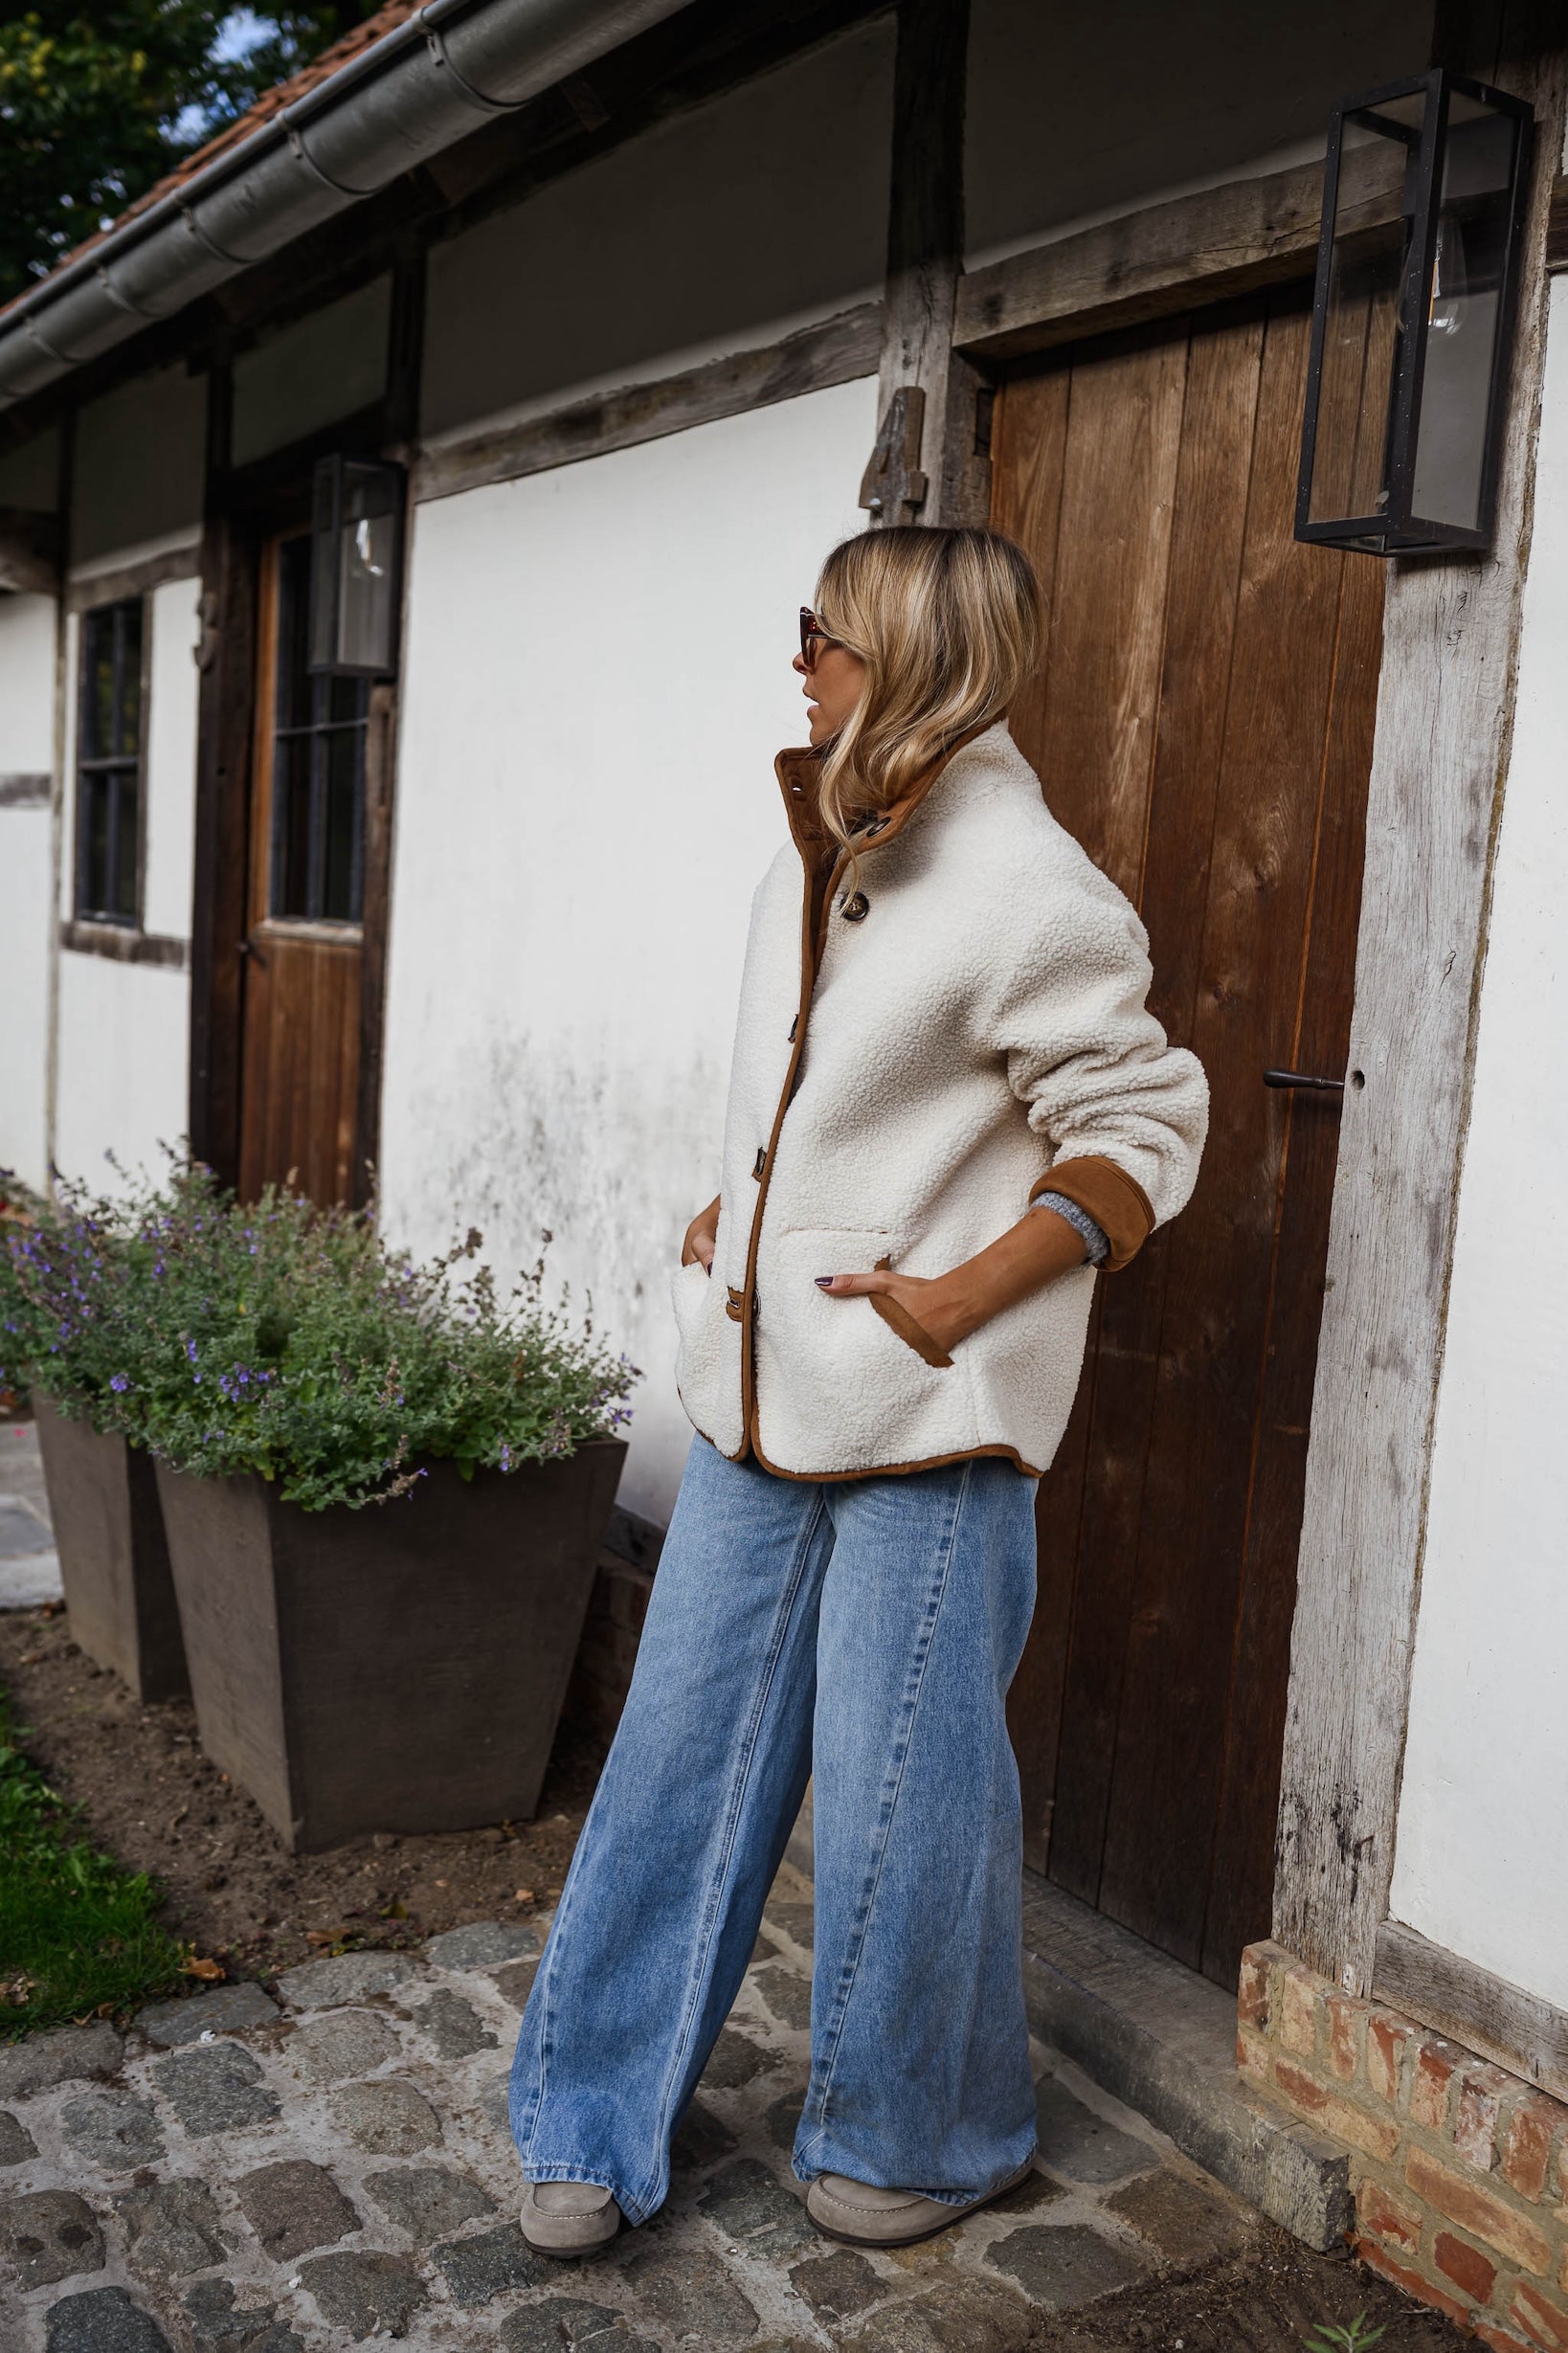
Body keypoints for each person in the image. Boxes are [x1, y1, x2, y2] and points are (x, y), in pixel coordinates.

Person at [510, 525, 1208, 2256]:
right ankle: (587, 2118)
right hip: (763, 1395)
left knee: (908, 1793)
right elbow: (822, 1102)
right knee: (675, 1758)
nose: (797, 657)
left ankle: (925, 2127)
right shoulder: (813, 845)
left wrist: (963, 1292)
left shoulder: (1032, 885)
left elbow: (1144, 1121)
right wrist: (734, 1209)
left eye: (819, 630)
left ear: (908, 650)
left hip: (932, 1418)